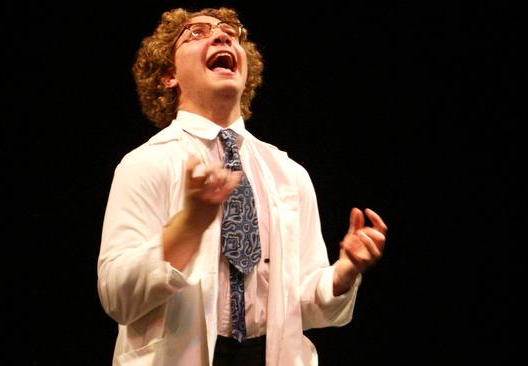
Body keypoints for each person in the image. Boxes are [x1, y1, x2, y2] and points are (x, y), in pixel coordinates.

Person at [97, 7, 387, 366]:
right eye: (197, 33)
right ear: (169, 75)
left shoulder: (289, 173)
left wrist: (343, 274)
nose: (223, 37)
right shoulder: (145, 164)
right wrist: (188, 226)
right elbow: (117, 297)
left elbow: (306, 308)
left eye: (231, 33)